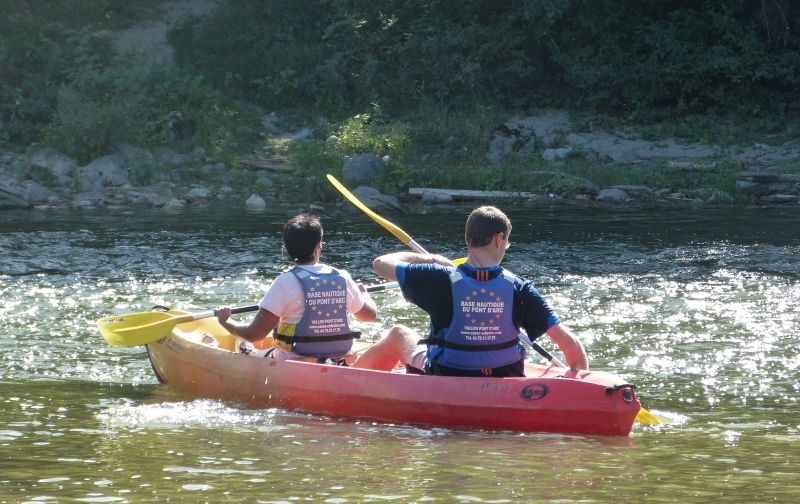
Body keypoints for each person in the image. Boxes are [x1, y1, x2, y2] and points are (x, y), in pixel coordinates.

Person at [354, 205, 588, 376]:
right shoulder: (520, 287)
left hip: (448, 374)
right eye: (506, 243)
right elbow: (571, 345)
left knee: (398, 334)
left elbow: (381, 263)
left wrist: (430, 259)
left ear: (468, 240)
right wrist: (581, 381)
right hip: (505, 374)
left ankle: (347, 380)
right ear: (499, 239)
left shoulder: (439, 278)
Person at [214, 213, 377, 362]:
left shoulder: (284, 282)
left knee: (242, 341)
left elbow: (254, 335)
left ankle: (251, 353)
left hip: (293, 362)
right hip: (340, 358)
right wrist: (363, 293)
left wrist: (225, 320)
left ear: (286, 249)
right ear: (318, 246)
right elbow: (369, 316)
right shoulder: (343, 277)